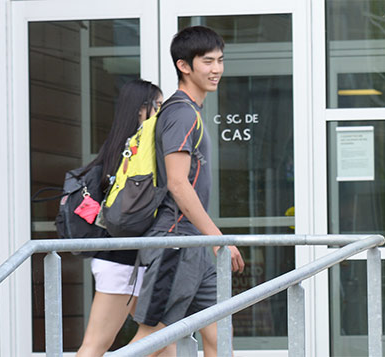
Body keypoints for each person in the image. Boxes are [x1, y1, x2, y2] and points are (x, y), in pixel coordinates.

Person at [129, 26, 245, 357]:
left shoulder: (190, 111)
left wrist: (208, 240)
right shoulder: (181, 113)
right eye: (207, 61)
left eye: (220, 60)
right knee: (151, 339)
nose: (217, 69)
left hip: (195, 244)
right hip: (177, 241)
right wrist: (219, 238)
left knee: (219, 335)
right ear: (184, 66)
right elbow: (178, 183)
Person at [75, 79, 162, 357]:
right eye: (158, 106)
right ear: (141, 110)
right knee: (96, 345)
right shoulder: (135, 151)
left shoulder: (116, 149)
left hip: (127, 260)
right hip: (121, 262)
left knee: (164, 340)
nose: (161, 113)